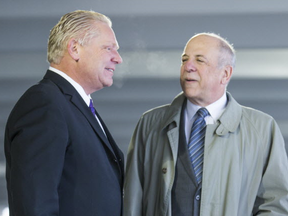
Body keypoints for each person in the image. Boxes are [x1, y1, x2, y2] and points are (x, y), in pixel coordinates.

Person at [123, 32, 288, 215]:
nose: (188, 66)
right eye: (184, 59)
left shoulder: (262, 129)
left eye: (200, 60)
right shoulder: (150, 124)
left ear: (225, 74)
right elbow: (133, 199)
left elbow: (276, 204)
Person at [5, 10, 124, 216]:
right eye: (108, 48)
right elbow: (35, 203)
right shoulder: (44, 103)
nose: (118, 58)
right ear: (75, 48)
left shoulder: (72, 106)